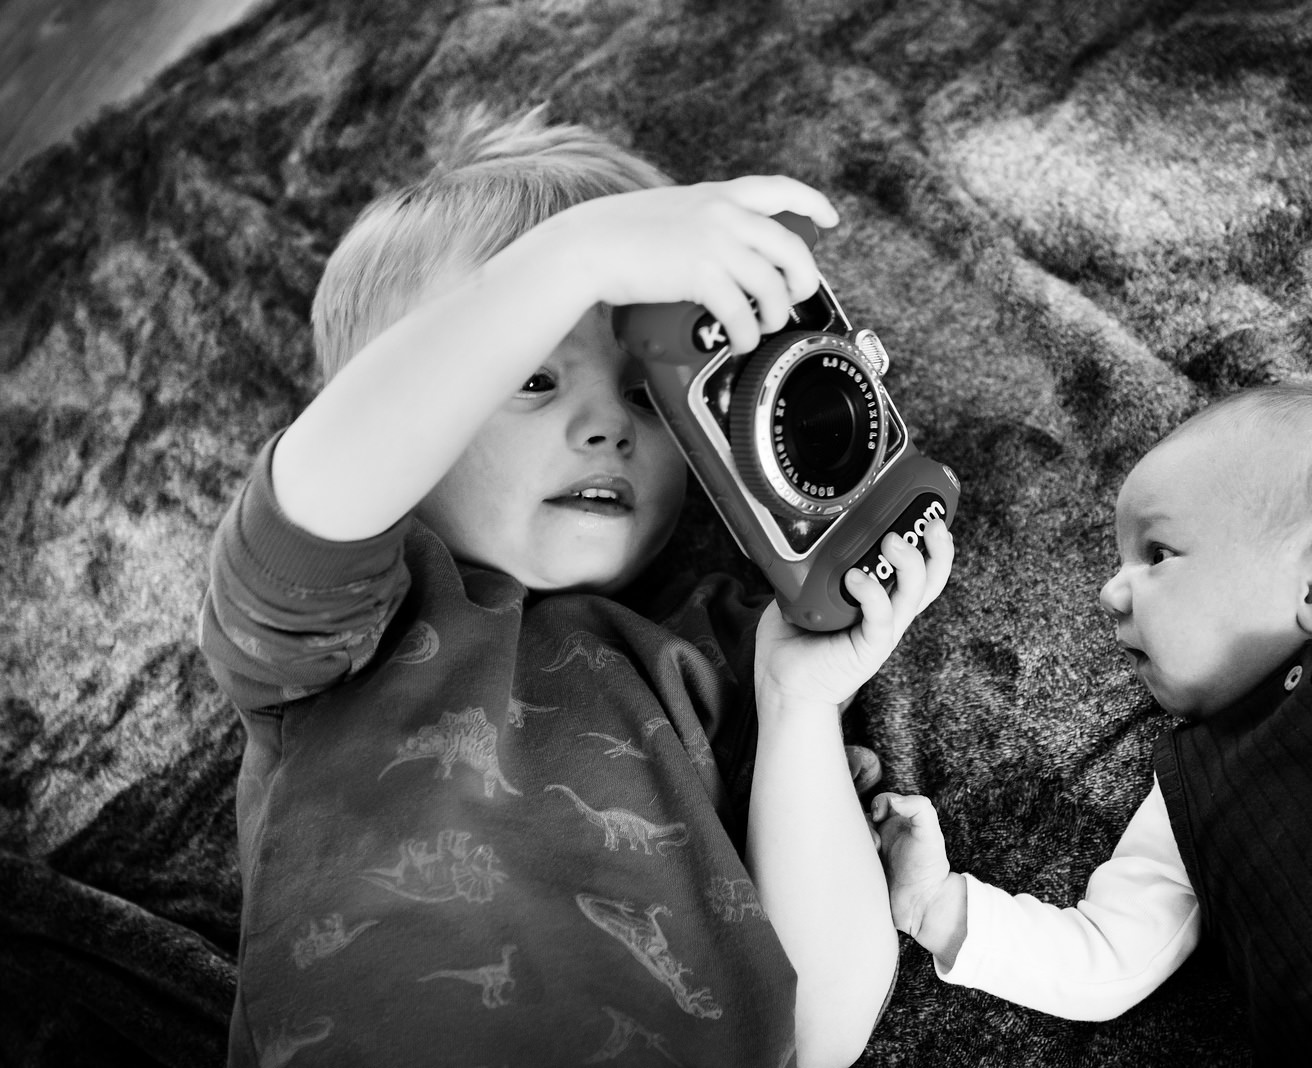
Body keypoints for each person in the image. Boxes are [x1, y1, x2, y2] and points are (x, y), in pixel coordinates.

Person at [197, 105, 952, 1068]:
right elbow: (324, 484)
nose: (609, 427)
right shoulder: (348, 626)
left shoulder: (726, 649)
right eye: (532, 377)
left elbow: (818, 1027)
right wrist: (575, 258)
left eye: (649, 393)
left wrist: (801, 710)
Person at [872, 382, 1312, 1065]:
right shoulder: (1196, 785)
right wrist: (940, 905)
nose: (1109, 592)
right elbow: (1108, 953)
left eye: (1157, 554)